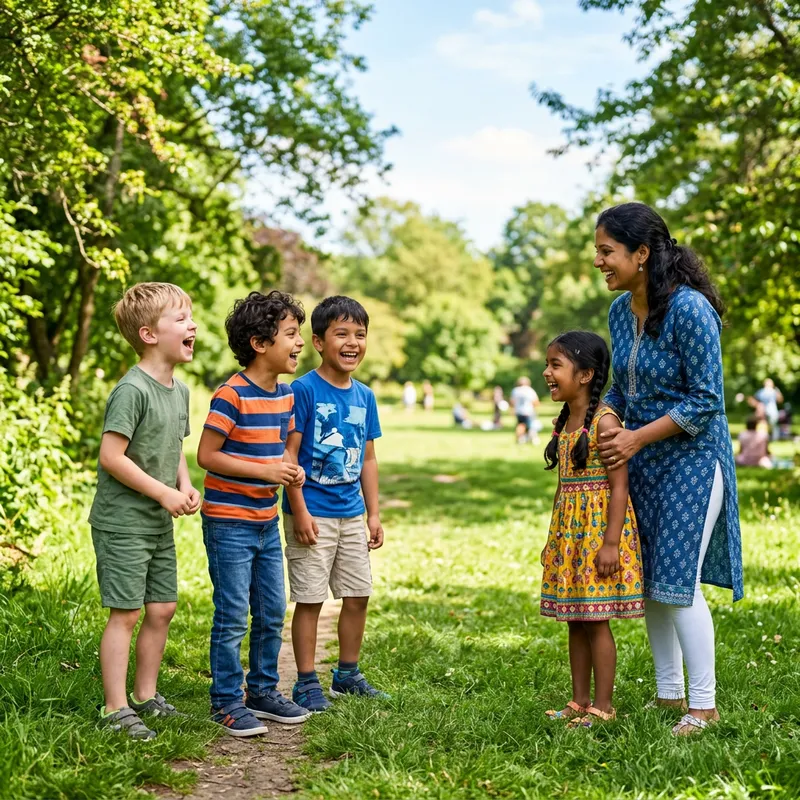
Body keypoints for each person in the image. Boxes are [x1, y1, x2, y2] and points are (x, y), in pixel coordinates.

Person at [594, 202, 743, 736]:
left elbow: (706, 400)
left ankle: (703, 706)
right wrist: (609, 417)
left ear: (641, 253)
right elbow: (620, 388)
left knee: (679, 582)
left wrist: (635, 436)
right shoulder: (619, 312)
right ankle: (668, 694)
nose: (599, 262)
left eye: (607, 251)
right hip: (641, 463)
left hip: (694, 461)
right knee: (653, 582)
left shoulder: (690, 310)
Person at [89, 282, 201, 740]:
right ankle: (114, 708)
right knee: (126, 613)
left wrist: (184, 484)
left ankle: (145, 696)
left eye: (191, 316)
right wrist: (162, 494)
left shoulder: (179, 390)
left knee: (163, 607)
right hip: (122, 522)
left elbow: (173, 446)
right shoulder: (131, 390)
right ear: (149, 334)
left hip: (156, 521)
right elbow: (111, 457)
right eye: (181, 318)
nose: (193, 324)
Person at [196, 291, 311, 736]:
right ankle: (225, 701)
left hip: (265, 521)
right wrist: (265, 470)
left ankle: (262, 691)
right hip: (229, 523)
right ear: (260, 343)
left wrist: (290, 471)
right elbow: (207, 455)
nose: (299, 343)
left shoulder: (286, 396)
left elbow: (283, 451)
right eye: (291, 334)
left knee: (271, 610)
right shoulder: (232, 394)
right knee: (231, 615)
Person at [282, 296, 387, 713]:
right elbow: (289, 456)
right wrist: (299, 510)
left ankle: (347, 674)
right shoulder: (302, 390)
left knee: (358, 594)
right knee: (311, 598)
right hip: (312, 513)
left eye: (360, 334)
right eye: (341, 334)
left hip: (351, 513)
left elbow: (368, 458)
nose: (352, 343)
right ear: (318, 342)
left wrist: (373, 513)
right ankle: (306, 682)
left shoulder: (365, 396)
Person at [540, 331, 644, 727]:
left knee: (596, 620)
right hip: (571, 535)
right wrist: (553, 541)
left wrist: (611, 543)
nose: (547, 372)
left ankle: (603, 706)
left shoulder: (605, 422)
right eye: (547, 364)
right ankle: (579, 700)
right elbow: (563, 487)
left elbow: (620, 487)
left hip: (599, 534)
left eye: (555, 365)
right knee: (575, 618)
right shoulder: (566, 421)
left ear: (585, 375)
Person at [510, 376, 540, 444]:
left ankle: (520, 439)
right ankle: (533, 439)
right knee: (530, 426)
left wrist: (512, 409)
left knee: (520, 425)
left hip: (519, 411)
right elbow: (535, 401)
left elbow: (512, 402)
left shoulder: (515, 390)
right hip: (528, 411)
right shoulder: (530, 390)